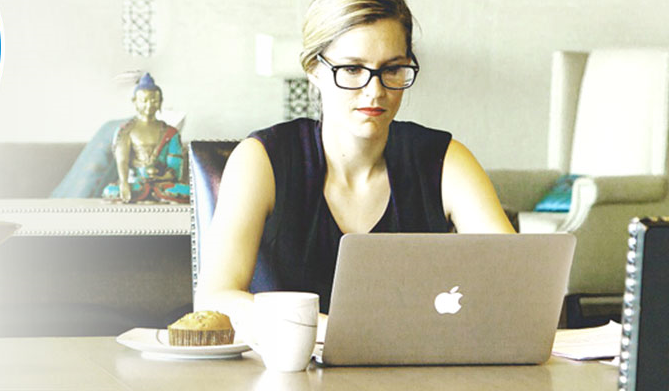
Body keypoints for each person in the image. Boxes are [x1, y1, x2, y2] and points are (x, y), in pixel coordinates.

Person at [195, 0, 515, 338]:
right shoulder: (261, 159)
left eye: (391, 69)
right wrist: (345, 333)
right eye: (351, 69)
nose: (375, 91)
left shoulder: (446, 160)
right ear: (314, 70)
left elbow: (519, 284)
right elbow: (215, 300)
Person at [102, 73, 189, 203]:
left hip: (163, 184)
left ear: (161, 101)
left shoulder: (170, 132)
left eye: (154, 100)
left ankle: (154, 193)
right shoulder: (126, 130)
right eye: (144, 100)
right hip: (137, 183)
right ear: (135, 101)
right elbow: (122, 161)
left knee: (189, 192)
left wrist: (162, 176)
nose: (149, 105)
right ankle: (152, 194)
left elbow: (175, 167)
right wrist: (124, 183)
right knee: (111, 191)